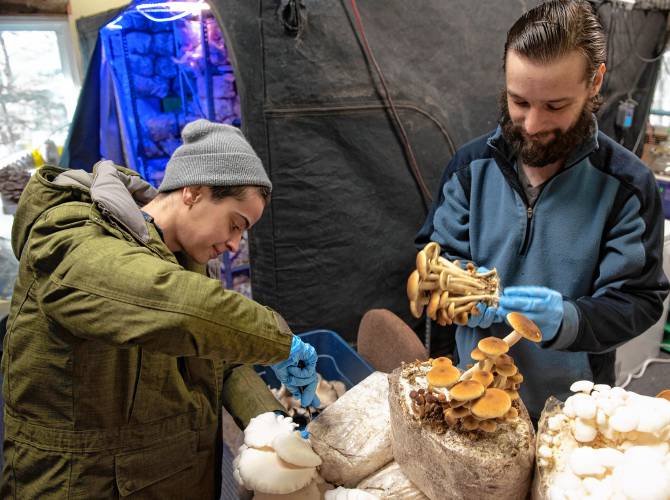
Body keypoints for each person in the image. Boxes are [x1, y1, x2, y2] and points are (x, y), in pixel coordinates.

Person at [1, 119, 319, 498]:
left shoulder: (185, 262)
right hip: (85, 483)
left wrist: (274, 424)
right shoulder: (72, 236)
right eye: (235, 225)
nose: (235, 244)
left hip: (169, 477)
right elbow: (171, 306)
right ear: (194, 192)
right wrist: (279, 341)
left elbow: (220, 361)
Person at [414, 0, 669, 420]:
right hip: (472, 393)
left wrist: (569, 319)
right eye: (519, 102)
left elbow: (639, 299)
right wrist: (456, 290)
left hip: (571, 411)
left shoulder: (627, 186)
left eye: (555, 106)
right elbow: (434, 257)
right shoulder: (470, 168)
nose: (532, 125)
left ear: (594, 83)